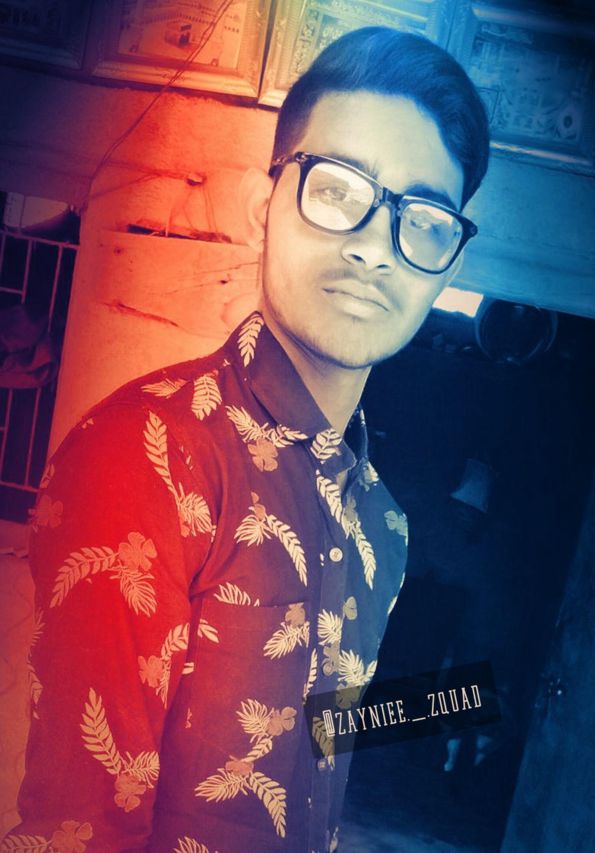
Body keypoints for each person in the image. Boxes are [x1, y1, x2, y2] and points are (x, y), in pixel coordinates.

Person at [3, 26, 489, 853]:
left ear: (445, 266)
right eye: (337, 188)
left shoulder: (383, 525)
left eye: (423, 218)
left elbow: (318, 762)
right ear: (266, 208)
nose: (374, 246)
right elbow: (78, 831)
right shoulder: (149, 453)